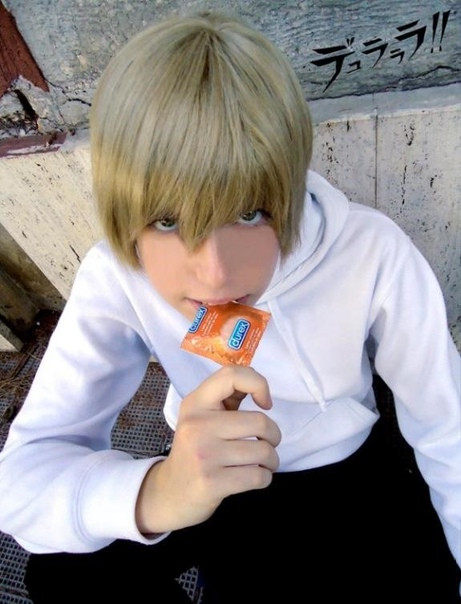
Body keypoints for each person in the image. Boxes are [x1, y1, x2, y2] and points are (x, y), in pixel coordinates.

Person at [0, 10, 460, 603]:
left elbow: (446, 422)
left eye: (249, 212)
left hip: (346, 465)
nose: (216, 274)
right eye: (168, 221)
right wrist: (161, 491)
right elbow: (21, 482)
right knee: (59, 575)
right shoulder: (117, 275)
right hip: (209, 463)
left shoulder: (372, 251)